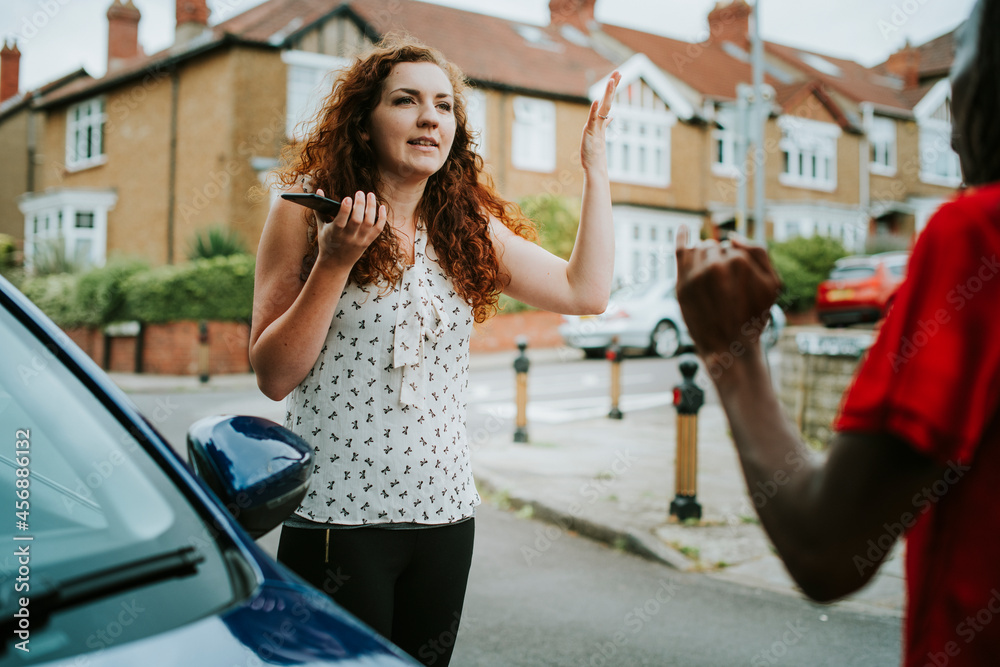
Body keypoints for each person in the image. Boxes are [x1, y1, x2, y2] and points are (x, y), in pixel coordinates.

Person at [249, 34, 621, 666]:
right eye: (406, 100)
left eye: (444, 106)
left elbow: (585, 292)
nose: (430, 117)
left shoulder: (465, 229)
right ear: (364, 125)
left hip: (445, 515)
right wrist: (336, 262)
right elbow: (274, 375)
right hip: (339, 517)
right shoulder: (308, 210)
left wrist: (596, 168)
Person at [673, 2, 999, 665]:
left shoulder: (977, 238)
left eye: (965, 48)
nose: (954, 88)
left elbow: (828, 546)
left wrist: (731, 350)